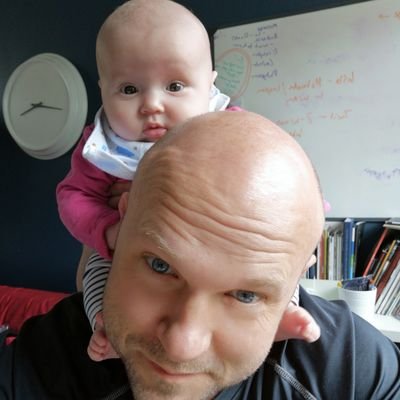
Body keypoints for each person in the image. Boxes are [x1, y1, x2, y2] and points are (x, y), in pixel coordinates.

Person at [2, 111, 399, 400]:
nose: (181, 345)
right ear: (122, 229)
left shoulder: (350, 370)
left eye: (245, 295)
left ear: (294, 281)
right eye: (160, 266)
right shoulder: (46, 363)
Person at [56, 0, 320, 361]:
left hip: (223, 244)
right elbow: (73, 196)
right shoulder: (103, 147)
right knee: (98, 271)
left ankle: (280, 314)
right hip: (130, 248)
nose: (152, 104)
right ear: (103, 89)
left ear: (209, 84)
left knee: (268, 269)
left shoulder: (231, 128)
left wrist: (301, 225)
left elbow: (281, 177)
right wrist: (107, 230)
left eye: (175, 85)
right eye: (129, 89)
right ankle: (108, 328)